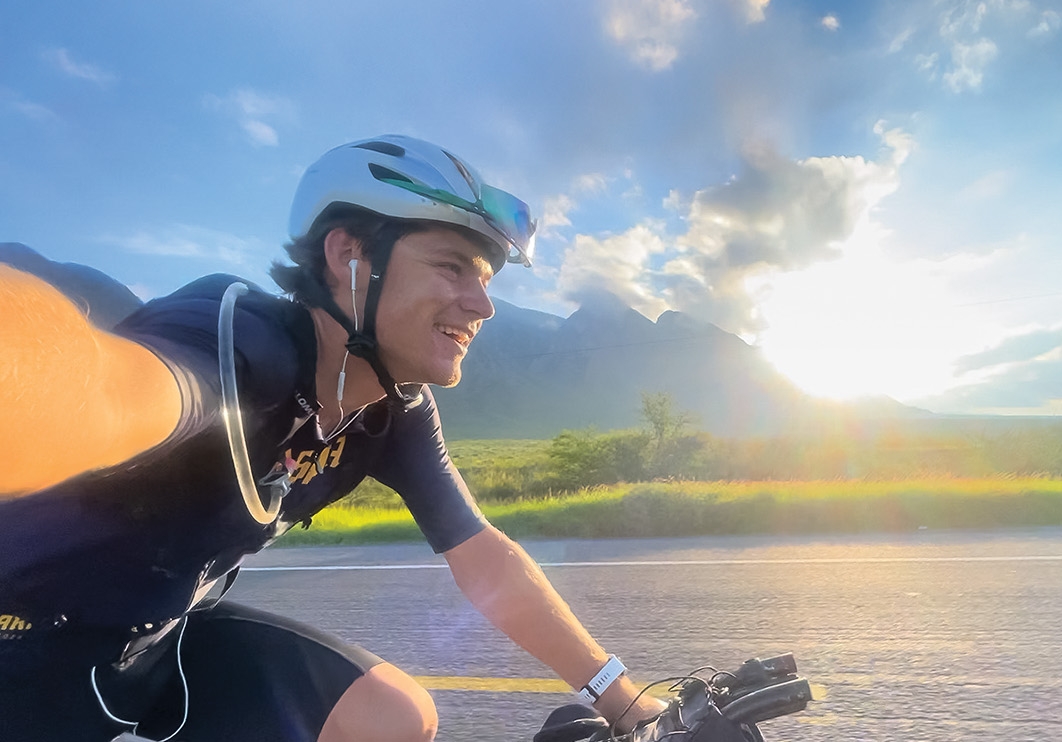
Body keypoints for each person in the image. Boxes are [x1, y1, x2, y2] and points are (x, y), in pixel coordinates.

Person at [0, 135, 663, 741]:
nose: (482, 304)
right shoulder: (236, 348)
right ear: (349, 255)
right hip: (25, 653)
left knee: (395, 717)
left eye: (485, 281)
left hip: (160, 644)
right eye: (453, 268)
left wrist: (622, 699)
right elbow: (111, 391)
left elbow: (482, 555)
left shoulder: (391, 409)